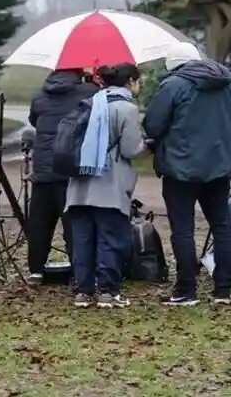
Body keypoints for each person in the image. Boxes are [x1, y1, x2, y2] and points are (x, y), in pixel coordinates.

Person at [143, 42, 231, 306]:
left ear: (174, 65)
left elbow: (153, 125)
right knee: (222, 225)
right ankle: (223, 290)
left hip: (180, 167)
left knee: (183, 229)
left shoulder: (174, 85)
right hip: (220, 165)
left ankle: (186, 290)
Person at [65, 63, 145, 309]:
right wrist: (147, 144)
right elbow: (131, 149)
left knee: (83, 240)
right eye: (138, 81)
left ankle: (83, 291)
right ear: (130, 81)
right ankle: (108, 292)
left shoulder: (89, 102)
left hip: (79, 184)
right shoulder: (126, 108)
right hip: (109, 185)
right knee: (110, 239)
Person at [26, 67, 98, 284]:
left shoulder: (39, 95)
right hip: (69, 167)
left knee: (40, 222)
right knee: (73, 223)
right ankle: (79, 271)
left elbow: (34, 121)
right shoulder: (88, 92)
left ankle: (36, 270)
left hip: (42, 169)